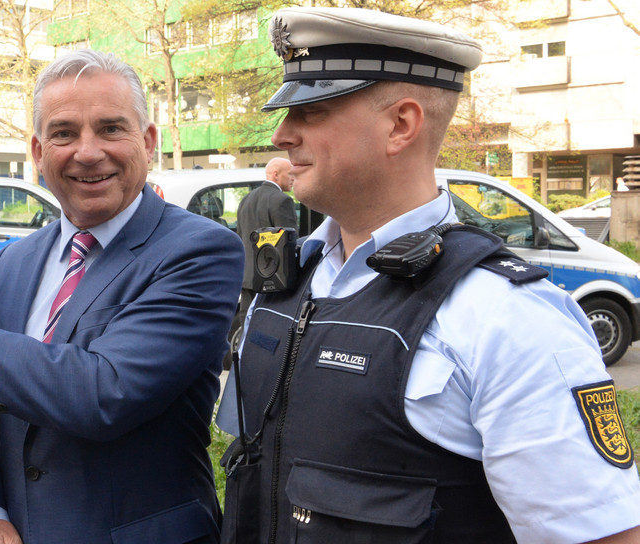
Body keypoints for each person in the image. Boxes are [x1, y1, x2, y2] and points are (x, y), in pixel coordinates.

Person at [217, 7, 640, 544]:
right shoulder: (288, 282)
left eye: (311, 112)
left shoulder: (504, 319)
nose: (281, 135)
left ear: (401, 124)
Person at [0, 49, 244, 544]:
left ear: (148, 142)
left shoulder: (200, 251)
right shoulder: (17, 261)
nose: (87, 151)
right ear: (37, 153)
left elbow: (105, 393)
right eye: (63, 133)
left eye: (110, 129)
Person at [228, 157, 296, 369]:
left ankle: (247, 367)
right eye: (289, 174)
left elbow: (241, 238)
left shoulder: (246, 200)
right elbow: (288, 246)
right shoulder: (282, 201)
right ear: (276, 174)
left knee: (248, 327)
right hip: (273, 280)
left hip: (247, 277)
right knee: (271, 332)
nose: (293, 179)